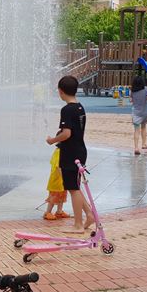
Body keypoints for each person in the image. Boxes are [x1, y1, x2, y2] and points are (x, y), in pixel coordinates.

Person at [46, 75, 93, 233]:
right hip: (80, 150)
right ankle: (89, 214)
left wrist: (53, 140)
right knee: (75, 187)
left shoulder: (67, 110)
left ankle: (78, 225)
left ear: (60, 91)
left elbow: (66, 134)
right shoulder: (80, 107)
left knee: (73, 189)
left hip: (70, 152)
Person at [43, 147, 69, 221]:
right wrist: (64, 176)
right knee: (54, 195)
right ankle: (47, 212)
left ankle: (59, 212)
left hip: (62, 179)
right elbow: (58, 166)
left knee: (62, 194)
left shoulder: (64, 151)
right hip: (56, 179)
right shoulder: (58, 151)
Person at [130, 76, 147, 155]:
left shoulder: (132, 91)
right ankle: (143, 144)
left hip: (135, 112)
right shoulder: (146, 90)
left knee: (136, 130)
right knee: (143, 128)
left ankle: (136, 147)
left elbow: (131, 100)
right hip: (143, 112)